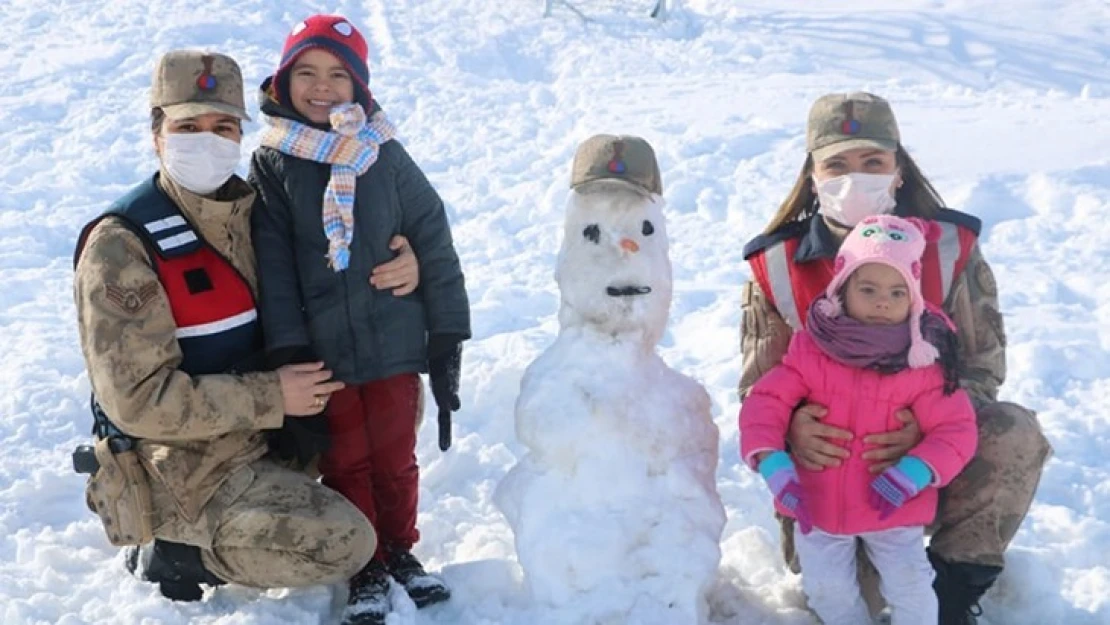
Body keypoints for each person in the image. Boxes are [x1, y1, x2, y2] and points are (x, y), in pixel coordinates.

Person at [71, 49, 419, 604]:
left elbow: (339, 262)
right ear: (157, 131)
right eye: (188, 126)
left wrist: (409, 261)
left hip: (267, 440)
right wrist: (272, 396)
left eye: (223, 126)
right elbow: (137, 403)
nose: (207, 139)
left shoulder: (255, 213)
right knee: (348, 541)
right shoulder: (122, 246)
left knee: (386, 411)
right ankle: (178, 548)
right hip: (185, 467)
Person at [739, 92, 1053, 624]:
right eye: (836, 165)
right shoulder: (777, 262)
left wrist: (923, 433)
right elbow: (758, 387)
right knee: (850, 603)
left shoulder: (951, 246)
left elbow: (980, 368)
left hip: (919, 464)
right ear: (813, 176)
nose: (854, 179)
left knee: (1014, 430)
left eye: (872, 163)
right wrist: (792, 430)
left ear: (898, 171)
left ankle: (954, 591)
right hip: (827, 478)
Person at [249, 14, 471, 625]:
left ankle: (401, 551)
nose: (322, 87)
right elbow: (273, 266)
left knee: (396, 456)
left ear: (360, 87)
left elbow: (433, 234)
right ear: (283, 80)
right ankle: (364, 562)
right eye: (306, 73)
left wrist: (441, 324)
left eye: (337, 75)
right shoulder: (272, 162)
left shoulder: (384, 153)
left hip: (394, 345)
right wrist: (290, 352)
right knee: (346, 459)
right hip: (325, 355)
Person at [741, 215, 978, 625]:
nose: (882, 301)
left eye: (897, 291)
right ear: (842, 289)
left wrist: (916, 471)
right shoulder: (812, 349)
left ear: (914, 297)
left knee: (911, 587)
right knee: (827, 591)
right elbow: (766, 400)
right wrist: (772, 460)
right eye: (867, 289)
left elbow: (956, 428)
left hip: (895, 505)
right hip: (818, 505)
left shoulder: (921, 360)